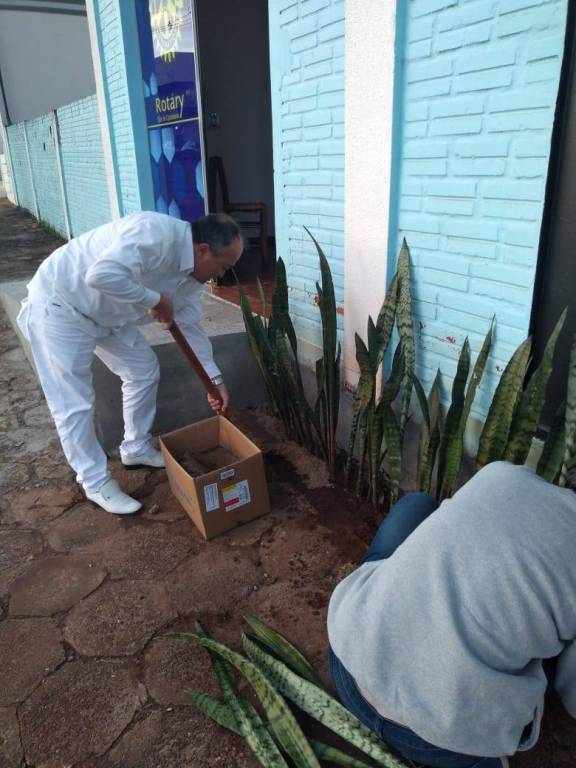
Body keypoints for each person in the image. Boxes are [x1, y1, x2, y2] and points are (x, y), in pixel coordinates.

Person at [328, 461, 576, 768]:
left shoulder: (503, 472)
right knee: (550, 639)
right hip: (437, 742)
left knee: (416, 505)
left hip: (348, 663)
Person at [17, 211, 242, 516]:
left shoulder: (192, 278)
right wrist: (155, 300)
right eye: (224, 266)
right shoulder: (154, 233)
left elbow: (190, 326)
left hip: (108, 315)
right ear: (202, 250)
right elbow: (101, 275)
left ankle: (135, 448)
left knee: (142, 369)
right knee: (74, 402)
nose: (223, 274)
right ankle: (95, 482)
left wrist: (215, 380)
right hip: (61, 305)